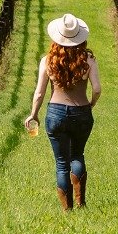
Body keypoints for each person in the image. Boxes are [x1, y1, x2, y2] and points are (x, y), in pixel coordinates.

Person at [24, 13, 100, 210]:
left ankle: (67, 209)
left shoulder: (47, 61)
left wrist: (33, 114)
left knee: (61, 163)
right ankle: (81, 203)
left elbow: (39, 92)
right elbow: (97, 88)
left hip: (55, 114)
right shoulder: (89, 60)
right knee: (77, 155)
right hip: (82, 113)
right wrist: (90, 104)